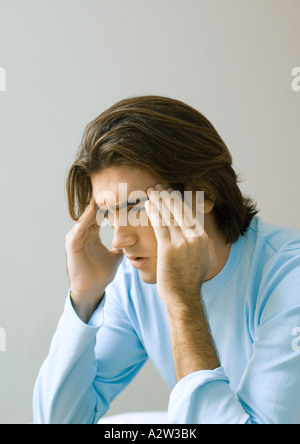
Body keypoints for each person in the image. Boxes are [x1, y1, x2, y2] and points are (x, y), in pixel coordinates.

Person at [33, 96, 300, 424]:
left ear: (203, 192)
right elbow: (61, 421)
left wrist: (183, 304)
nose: (119, 240)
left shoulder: (290, 278)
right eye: (107, 213)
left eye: (134, 206)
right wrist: (84, 296)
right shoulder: (134, 283)